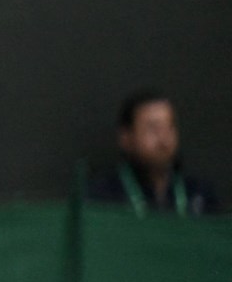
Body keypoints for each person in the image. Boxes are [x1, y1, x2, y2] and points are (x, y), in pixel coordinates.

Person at [86, 90, 218, 216]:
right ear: (126, 138)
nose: (164, 140)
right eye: (153, 129)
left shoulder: (198, 194)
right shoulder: (103, 196)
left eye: (169, 127)